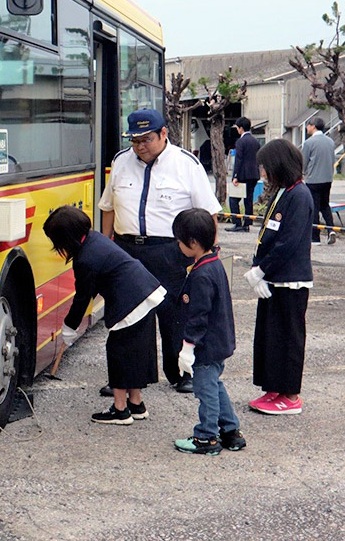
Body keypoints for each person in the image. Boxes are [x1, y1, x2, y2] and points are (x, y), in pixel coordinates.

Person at [98, 109, 222, 395]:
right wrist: (107, 245)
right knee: (127, 317)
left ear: (164, 134)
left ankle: (179, 373)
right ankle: (126, 377)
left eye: (147, 139)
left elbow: (208, 213)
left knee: (174, 315)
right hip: (127, 250)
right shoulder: (120, 161)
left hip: (170, 250)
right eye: (135, 140)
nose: (140, 146)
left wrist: (205, 254)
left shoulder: (185, 164)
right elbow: (108, 206)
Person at [44, 205, 166, 425]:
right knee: (136, 351)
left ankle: (120, 409)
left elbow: (83, 297)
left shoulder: (85, 259)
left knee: (119, 351)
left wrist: (69, 329)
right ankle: (136, 403)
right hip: (145, 292)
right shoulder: (94, 239)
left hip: (128, 301)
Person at [244, 138, 313, 415]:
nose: (263, 172)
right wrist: (258, 266)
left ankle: (291, 395)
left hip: (290, 280)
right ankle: (274, 387)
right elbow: (270, 234)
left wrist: (262, 270)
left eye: (266, 167)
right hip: (273, 278)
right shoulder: (283, 191)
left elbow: (289, 242)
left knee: (288, 337)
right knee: (270, 337)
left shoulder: (300, 195)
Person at [172, 208, 245, 455]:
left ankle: (206, 437)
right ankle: (231, 431)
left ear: (192, 243)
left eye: (180, 241)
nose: (178, 245)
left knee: (205, 391)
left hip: (205, 344)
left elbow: (198, 316)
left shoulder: (201, 274)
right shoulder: (214, 263)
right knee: (215, 385)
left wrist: (188, 347)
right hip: (220, 340)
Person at [302, 117, 336, 244]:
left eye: (308, 126)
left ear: (313, 126)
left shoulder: (309, 143)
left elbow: (304, 162)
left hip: (313, 179)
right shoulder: (330, 141)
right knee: (325, 205)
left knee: (314, 207)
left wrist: (302, 173)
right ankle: (331, 229)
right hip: (327, 178)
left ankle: (315, 237)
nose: (307, 128)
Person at [228, 117, 260, 232]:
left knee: (233, 199)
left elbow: (239, 160)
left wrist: (235, 176)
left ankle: (237, 223)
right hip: (254, 174)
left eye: (237, 128)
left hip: (243, 175)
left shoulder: (241, 142)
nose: (237, 130)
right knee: (248, 200)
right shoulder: (255, 141)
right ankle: (247, 224)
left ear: (241, 128)